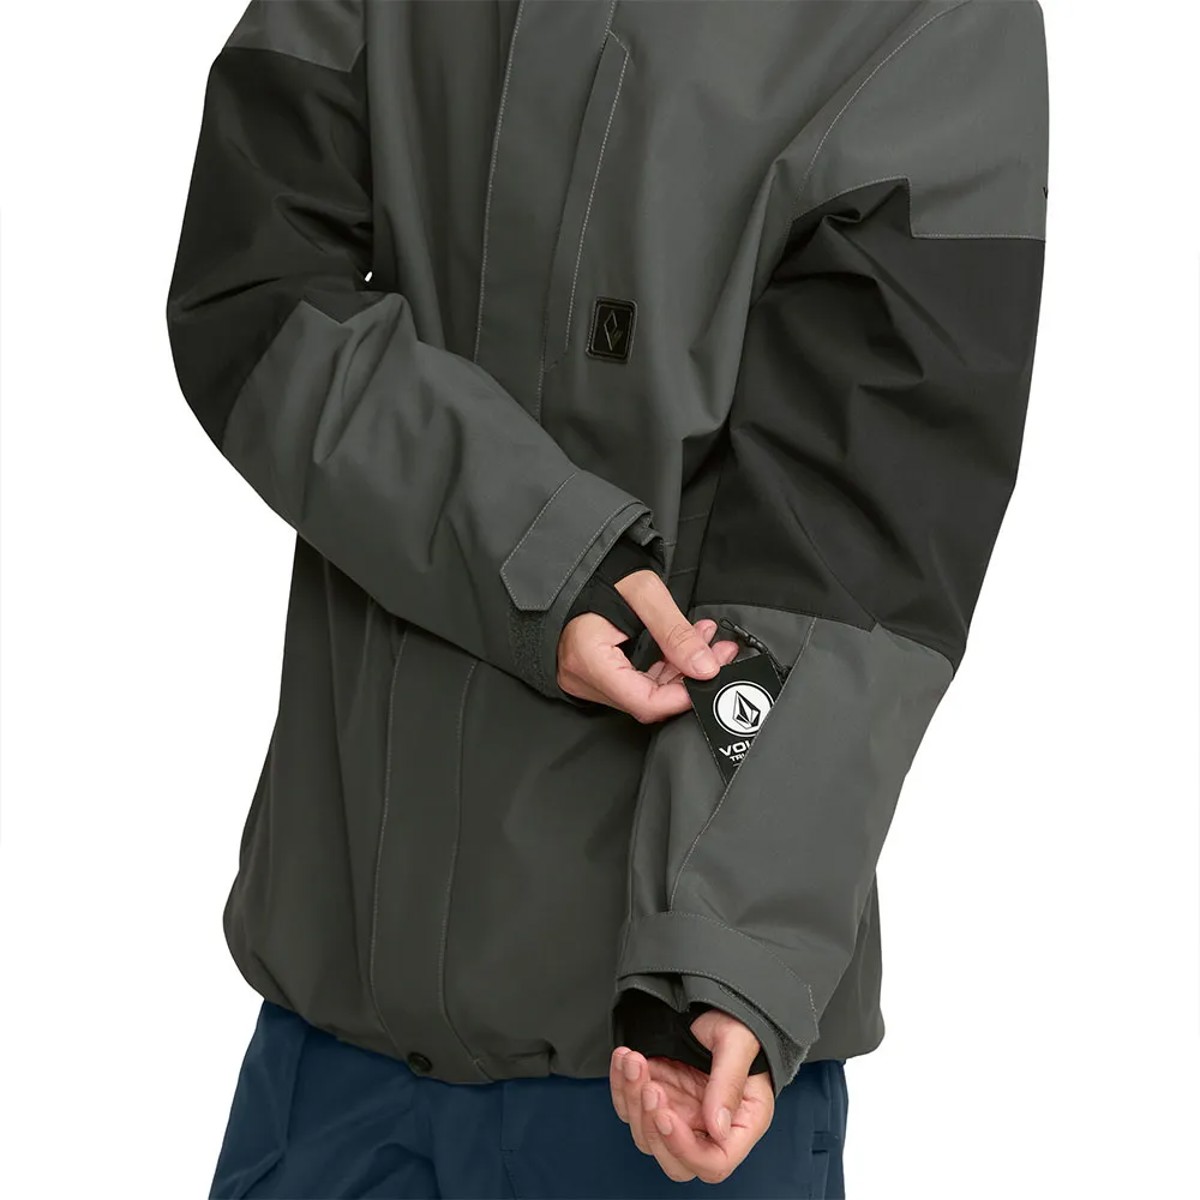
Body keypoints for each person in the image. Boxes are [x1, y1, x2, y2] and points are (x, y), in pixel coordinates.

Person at [165, 1, 1048, 1195]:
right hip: (331, 1048)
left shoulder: (924, 19)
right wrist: (542, 554)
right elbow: (255, 291)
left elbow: (853, 553)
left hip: (661, 1075)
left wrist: (716, 962)